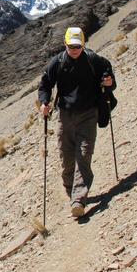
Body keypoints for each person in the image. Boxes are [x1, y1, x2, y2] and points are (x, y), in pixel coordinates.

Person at [38, 27, 116, 218]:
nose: (74, 49)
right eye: (71, 46)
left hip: (89, 114)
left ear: (83, 44)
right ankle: (70, 187)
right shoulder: (57, 62)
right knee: (66, 157)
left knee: (83, 154)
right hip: (65, 115)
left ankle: (78, 199)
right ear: (65, 44)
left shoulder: (94, 60)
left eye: (78, 46)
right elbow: (45, 85)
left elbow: (110, 80)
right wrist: (44, 102)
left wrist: (109, 83)